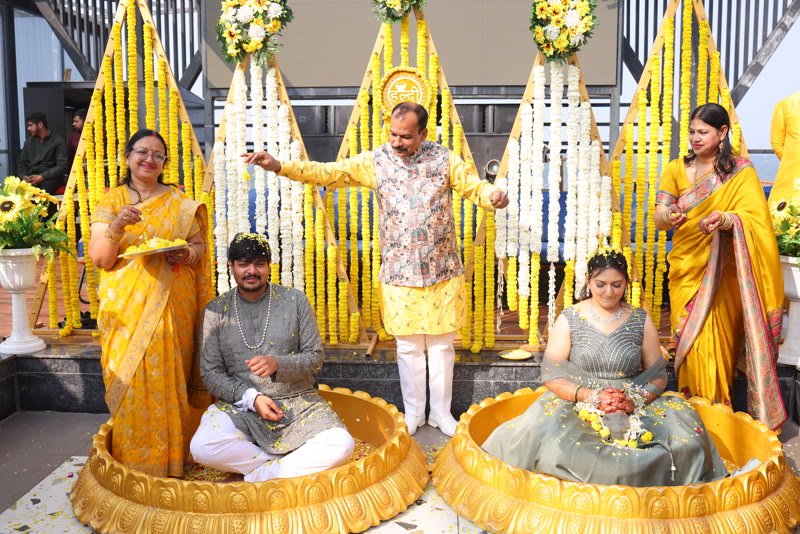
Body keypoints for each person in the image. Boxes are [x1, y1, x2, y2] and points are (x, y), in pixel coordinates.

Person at [242, 102, 509, 437]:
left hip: (442, 270)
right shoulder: (376, 160)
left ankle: (441, 413)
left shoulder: (443, 159)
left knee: (441, 346)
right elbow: (329, 172)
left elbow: (473, 185)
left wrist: (493, 194)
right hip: (399, 273)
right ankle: (413, 414)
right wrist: (280, 165)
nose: (398, 142)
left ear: (423, 133)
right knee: (409, 346)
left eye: (406, 137)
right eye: (394, 134)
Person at [481, 249, 729, 486]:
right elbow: (552, 373)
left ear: (626, 283)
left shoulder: (639, 319)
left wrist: (632, 400)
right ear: (588, 281)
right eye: (601, 284)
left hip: (631, 400)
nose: (609, 292)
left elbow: (657, 376)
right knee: (562, 446)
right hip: (577, 400)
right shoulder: (570, 317)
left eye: (617, 284)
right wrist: (592, 397)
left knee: (687, 443)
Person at [654, 103, 786, 430]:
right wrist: (668, 216)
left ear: (722, 132)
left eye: (703, 132)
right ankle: (692, 424)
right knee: (690, 342)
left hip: (723, 274)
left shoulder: (739, 172)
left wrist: (728, 220)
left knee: (715, 350)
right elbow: (659, 216)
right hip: (687, 267)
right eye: (691, 132)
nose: (695, 139)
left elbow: (757, 222)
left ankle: (717, 423)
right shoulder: (675, 169)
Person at [88, 129, 211, 477]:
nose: (150, 160)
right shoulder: (111, 202)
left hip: (173, 305)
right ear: (127, 157)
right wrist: (116, 227)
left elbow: (199, 248)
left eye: (158, 155)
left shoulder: (178, 202)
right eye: (142, 152)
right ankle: (135, 464)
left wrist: (185, 252)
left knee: (171, 377)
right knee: (133, 378)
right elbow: (100, 260)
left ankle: (176, 459)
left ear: (164, 163)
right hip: (126, 308)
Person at [190, 233, 354, 481]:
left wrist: (279, 363)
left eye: (259, 264)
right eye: (244, 264)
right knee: (202, 448)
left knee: (341, 443)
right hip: (242, 407)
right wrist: (251, 398)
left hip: (298, 403)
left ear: (269, 266)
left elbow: (315, 357)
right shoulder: (215, 310)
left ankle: (262, 474)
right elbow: (211, 374)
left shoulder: (294, 300)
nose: (251, 271)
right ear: (231, 266)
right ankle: (283, 467)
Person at [18, 112, 69, 194]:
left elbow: (62, 166)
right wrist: (24, 177)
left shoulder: (57, 141)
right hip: (31, 177)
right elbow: (22, 164)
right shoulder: (28, 142)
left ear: (40, 125)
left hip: (50, 178)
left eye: (30, 125)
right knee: (15, 191)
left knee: (43, 191)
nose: (28, 128)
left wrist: (42, 177)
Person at [768, 91, 800, 203]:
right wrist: (793, 163)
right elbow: (777, 143)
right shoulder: (787, 104)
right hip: (792, 180)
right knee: (786, 216)